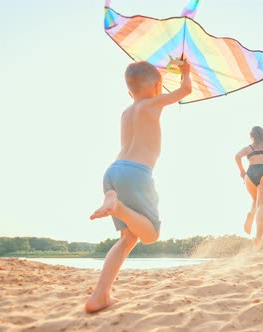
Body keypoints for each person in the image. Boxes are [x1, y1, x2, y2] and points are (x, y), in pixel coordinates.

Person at [84, 60, 192, 313]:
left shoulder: (126, 112)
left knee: (127, 238)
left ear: (129, 92)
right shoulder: (152, 104)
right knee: (151, 234)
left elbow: (149, 85)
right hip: (137, 173)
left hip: (113, 172)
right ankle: (118, 207)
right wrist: (185, 72)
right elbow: (186, 90)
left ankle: (100, 295)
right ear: (157, 86)